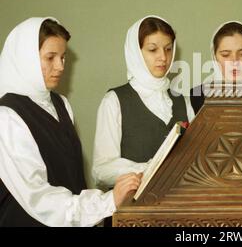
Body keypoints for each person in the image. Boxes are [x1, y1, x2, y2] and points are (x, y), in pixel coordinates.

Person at [0, 17, 141, 227]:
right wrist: (106, 201)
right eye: (50, 58)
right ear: (25, 58)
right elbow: (38, 198)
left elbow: (73, 178)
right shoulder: (7, 116)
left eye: (63, 57)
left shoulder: (61, 103)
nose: (60, 67)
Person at [92, 16, 195, 188]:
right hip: (131, 210)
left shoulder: (183, 102)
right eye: (153, 50)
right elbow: (101, 170)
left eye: (168, 49)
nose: (163, 57)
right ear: (136, 52)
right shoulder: (114, 101)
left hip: (177, 208)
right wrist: (148, 169)